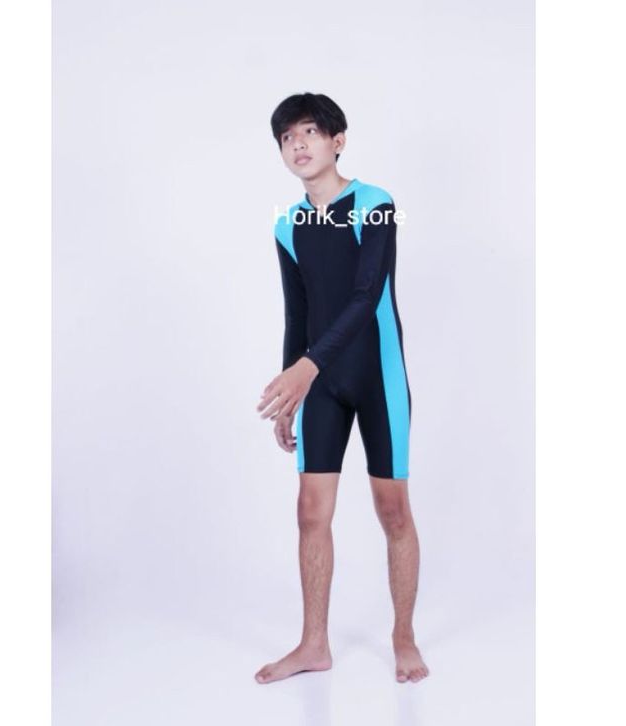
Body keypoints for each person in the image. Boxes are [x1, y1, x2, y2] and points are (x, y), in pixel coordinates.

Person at [254, 92, 429, 685]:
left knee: (392, 509)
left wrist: (305, 368)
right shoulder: (288, 225)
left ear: (338, 140)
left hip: (377, 377)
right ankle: (313, 644)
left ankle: (403, 635)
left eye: (309, 131)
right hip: (319, 384)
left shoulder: (374, 205)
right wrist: (292, 391)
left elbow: (364, 297)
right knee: (310, 512)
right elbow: (298, 314)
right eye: (287, 138)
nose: (298, 144)